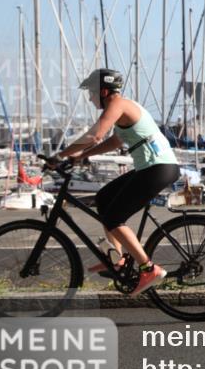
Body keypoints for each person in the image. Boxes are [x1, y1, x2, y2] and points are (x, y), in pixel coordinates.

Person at [56, 68, 180, 296]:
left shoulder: (118, 104)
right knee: (104, 199)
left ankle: (148, 268)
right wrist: (80, 156)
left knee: (114, 217)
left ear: (104, 91)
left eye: (92, 92)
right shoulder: (125, 106)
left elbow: (95, 135)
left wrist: (59, 156)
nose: (90, 98)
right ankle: (119, 259)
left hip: (158, 168)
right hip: (153, 167)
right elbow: (115, 141)